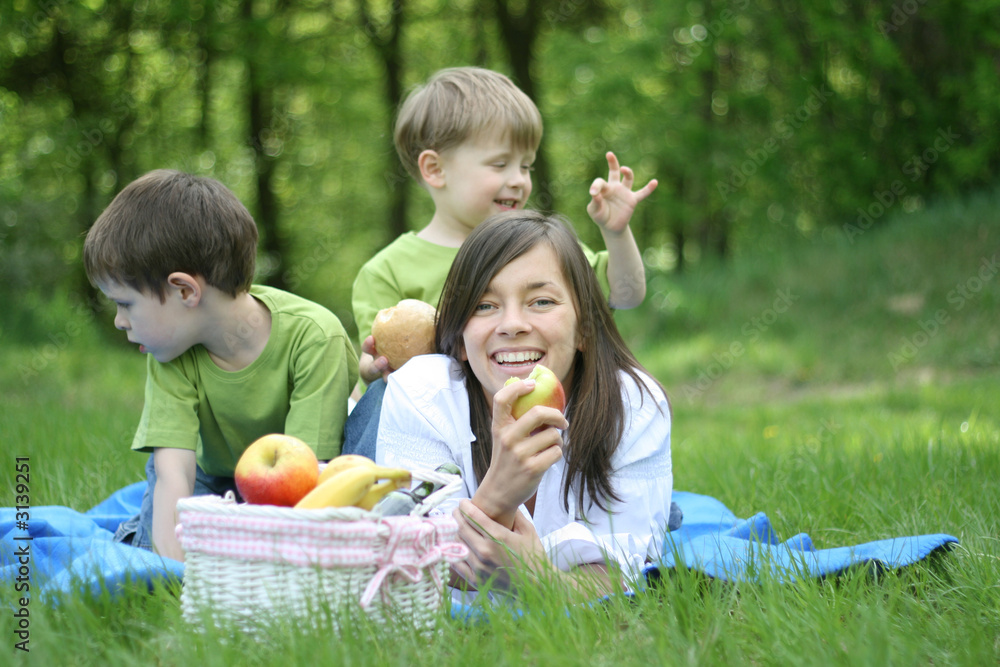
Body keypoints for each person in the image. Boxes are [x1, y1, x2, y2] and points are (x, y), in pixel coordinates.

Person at [375, 210, 672, 599]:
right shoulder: (418, 393)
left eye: (541, 301)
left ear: (584, 328)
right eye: (484, 305)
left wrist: (534, 578)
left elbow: (627, 575)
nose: (512, 324)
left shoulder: (633, 405)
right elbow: (413, 565)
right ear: (461, 339)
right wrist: (499, 492)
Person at [83, 169, 359, 562]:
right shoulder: (170, 350)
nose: (119, 320)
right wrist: (170, 572)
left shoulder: (314, 338)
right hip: (210, 482)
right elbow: (174, 471)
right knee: (151, 532)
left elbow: (307, 476)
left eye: (124, 303)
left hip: (299, 480)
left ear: (184, 290)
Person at [350, 66, 657, 394]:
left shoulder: (542, 248)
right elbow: (377, 362)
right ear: (435, 169)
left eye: (526, 166)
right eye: (500, 164)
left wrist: (616, 232)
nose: (518, 179)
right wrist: (372, 369)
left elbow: (626, 295)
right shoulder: (387, 272)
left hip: (547, 413)